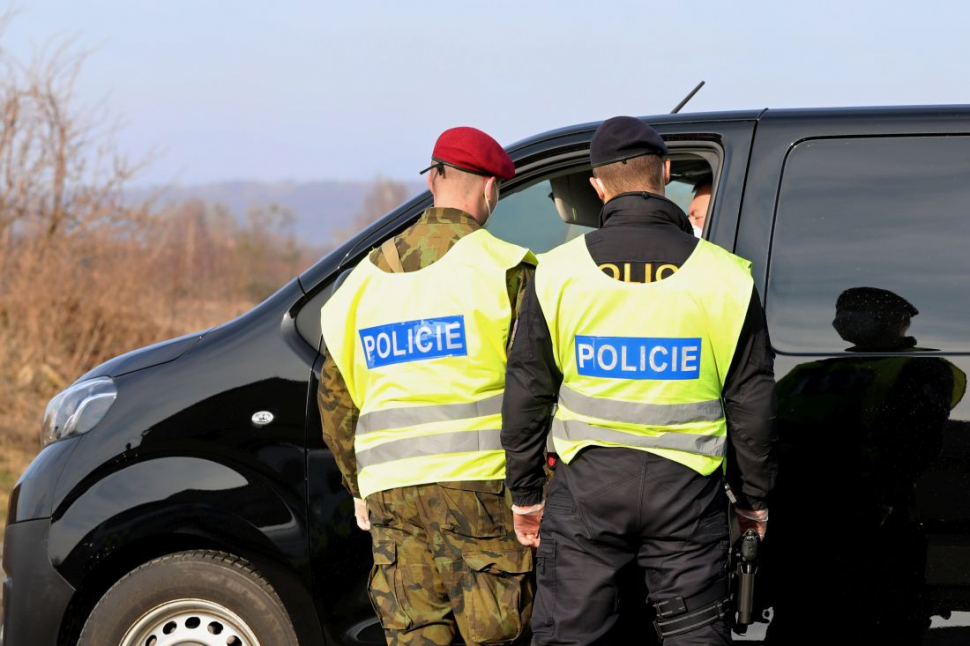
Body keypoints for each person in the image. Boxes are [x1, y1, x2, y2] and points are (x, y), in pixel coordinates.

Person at [501, 116, 778, 645]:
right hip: (688, 492)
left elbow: (527, 393)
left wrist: (526, 493)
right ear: (667, 173)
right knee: (694, 636)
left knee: (569, 637)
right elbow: (753, 406)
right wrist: (752, 500)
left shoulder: (557, 273)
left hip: (586, 489)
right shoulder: (726, 275)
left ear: (597, 185)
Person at [318, 126, 537, 646]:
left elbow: (335, 402)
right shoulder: (504, 269)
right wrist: (536, 489)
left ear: (433, 180)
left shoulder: (359, 284)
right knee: (496, 636)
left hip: (391, 498)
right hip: (480, 495)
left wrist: (358, 486)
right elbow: (535, 390)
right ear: (489, 191)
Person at [767, 287, 966, 644]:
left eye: (859, 309)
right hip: (811, 524)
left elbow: (912, 446)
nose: (846, 317)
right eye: (844, 309)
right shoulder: (809, 370)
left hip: (865, 524)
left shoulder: (919, 369)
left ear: (898, 322)